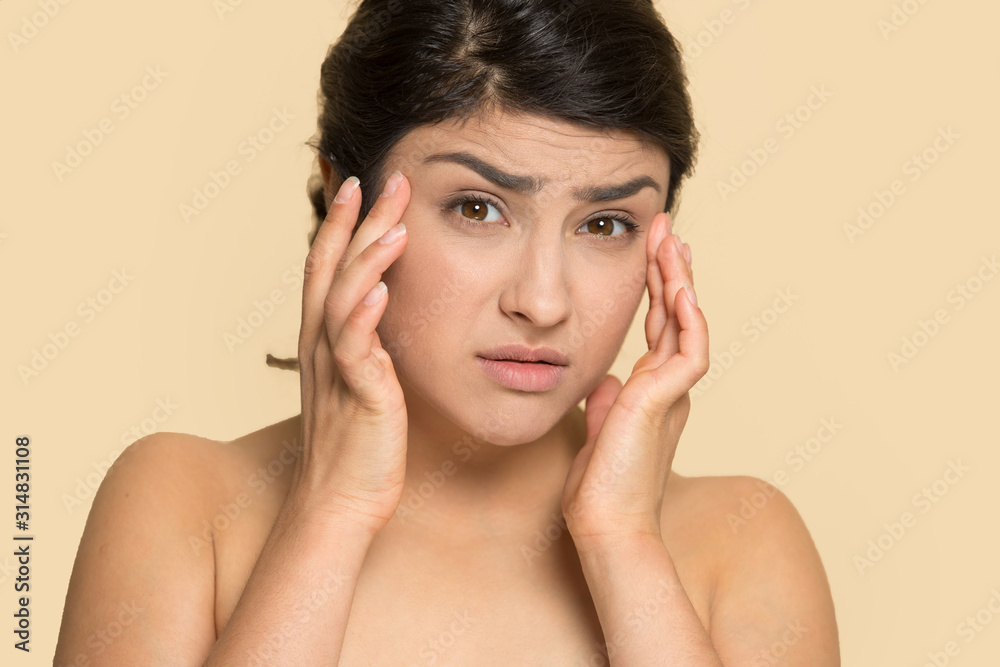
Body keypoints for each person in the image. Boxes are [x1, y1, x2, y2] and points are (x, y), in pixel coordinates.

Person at [54, 0, 840, 664]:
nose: (543, 301)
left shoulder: (744, 544)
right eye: (477, 208)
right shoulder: (179, 505)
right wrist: (329, 509)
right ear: (345, 201)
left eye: (606, 223)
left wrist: (623, 540)